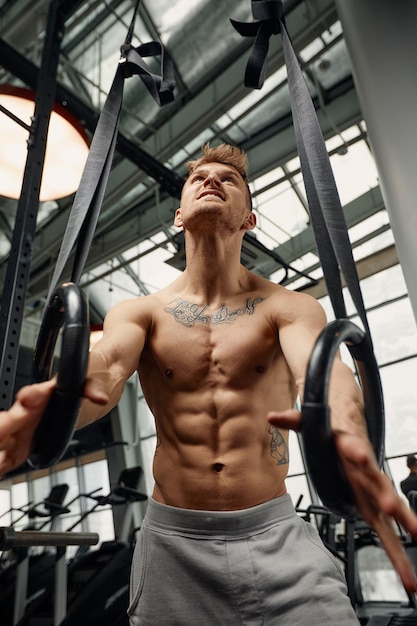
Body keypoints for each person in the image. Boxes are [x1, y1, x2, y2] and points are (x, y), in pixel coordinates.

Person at [0, 143, 417, 625]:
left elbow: (324, 375)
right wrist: (52, 407)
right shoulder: (140, 312)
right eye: (199, 178)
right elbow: (106, 369)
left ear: (250, 220)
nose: (212, 181)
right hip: (174, 547)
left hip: (275, 535)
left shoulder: (289, 306)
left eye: (229, 180)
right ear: (178, 215)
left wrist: (348, 433)